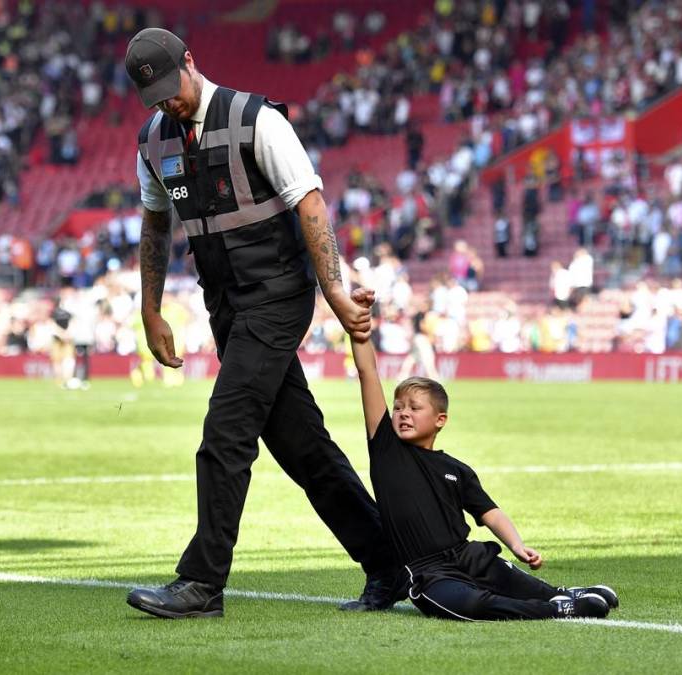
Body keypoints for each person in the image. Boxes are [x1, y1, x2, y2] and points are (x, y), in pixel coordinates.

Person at [123, 28, 395, 619]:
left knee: (226, 430)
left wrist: (335, 293)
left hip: (277, 294)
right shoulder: (153, 141)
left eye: (172, 88)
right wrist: (151, 309)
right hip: (224, 302)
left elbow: (311, 204)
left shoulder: (258, 121)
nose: (169, 103)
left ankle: (202, 583)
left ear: (191, 63)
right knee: (302, 447)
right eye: (156, 98)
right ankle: (388, 563)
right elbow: (155, 225)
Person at [348, 287, 618, 621]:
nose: (402, 413)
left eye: (414, 408)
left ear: (440, 420)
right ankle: (557, 608)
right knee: (471, 606)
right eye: (398, 407)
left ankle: (563, 595)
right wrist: (359, 326)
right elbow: (367, 374)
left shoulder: (456, 469)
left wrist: (517, 545)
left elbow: (489, 512)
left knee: (514, 580)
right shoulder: (387, 451)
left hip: (469, 555)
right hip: (429, 573)